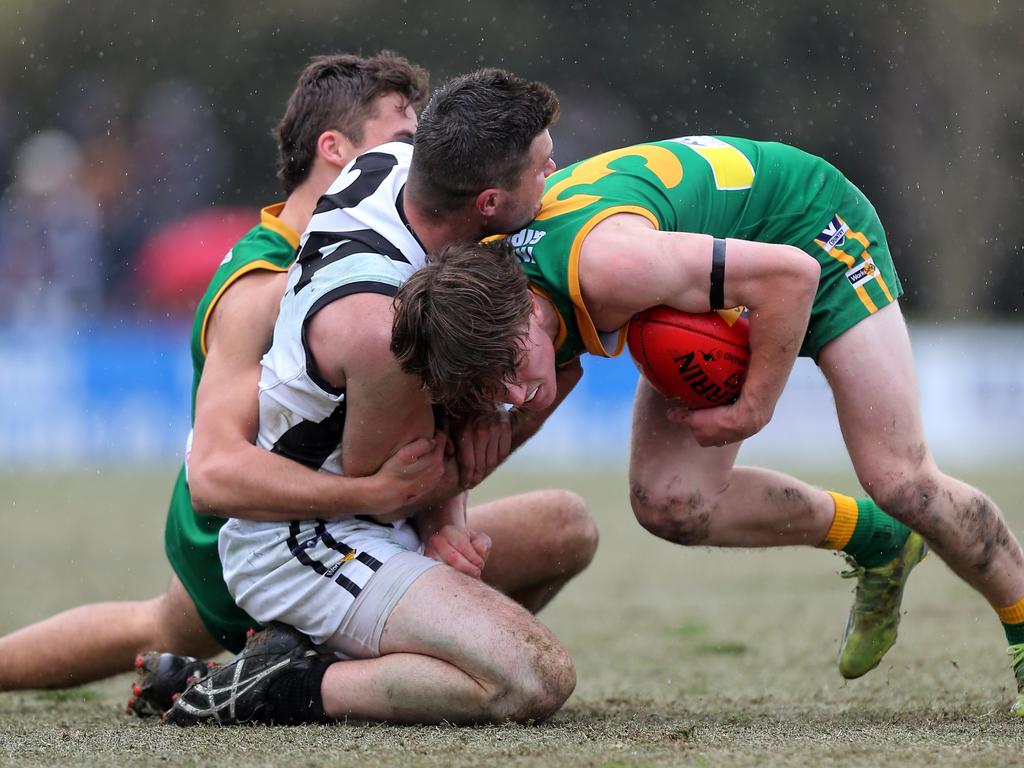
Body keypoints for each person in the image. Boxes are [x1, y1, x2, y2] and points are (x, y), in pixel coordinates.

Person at [0, 55, 598, 720]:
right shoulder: (285, 295)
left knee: (564, 528)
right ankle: (284, 684)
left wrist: (449, 490)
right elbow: (239, 474)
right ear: (335, 150)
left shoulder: (381, 187)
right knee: (165, 626)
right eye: (404, 130)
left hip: (350, 510)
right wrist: (431, 465)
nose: (419, 145)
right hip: (277, 523)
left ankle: (334, 665)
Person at [390, 134, 1024, 713]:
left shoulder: (605, 266)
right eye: (490, 385)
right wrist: (449, 515)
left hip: (808, 232)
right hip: (703, 277)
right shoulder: (474, 308)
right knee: (673, 504)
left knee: (904, 482)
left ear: (526, 311)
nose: (510, 393)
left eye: (510, 367)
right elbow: (480, 414)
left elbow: (790, 276)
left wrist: (754, 406)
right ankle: (878, 540)